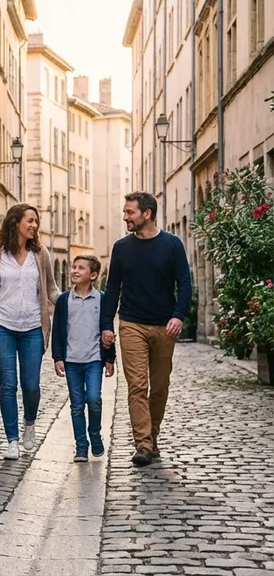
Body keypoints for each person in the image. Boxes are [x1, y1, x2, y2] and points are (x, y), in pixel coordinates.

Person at [100, 191, 192, 467]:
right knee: (137, 385)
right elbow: (112, 288)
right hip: (131, 324)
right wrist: (107, 325)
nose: (125, 216)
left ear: (147, 214)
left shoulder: (172, 245)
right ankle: (143, 443)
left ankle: (152, 436)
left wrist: (178, 316)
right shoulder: (121, 247)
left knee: (160, 386)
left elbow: (185, 284)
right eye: (125, 212)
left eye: (130, 212)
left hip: (165, 326)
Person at [0, 204, 60, 460]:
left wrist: (71, 301)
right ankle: (12, 439)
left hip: (33, 327)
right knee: (8, 385)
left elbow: (51, 289)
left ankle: (29, 423)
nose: (34, 225)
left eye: (36, 221)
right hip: (3, 328)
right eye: (30, 221)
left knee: (31, 386)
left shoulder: (40, 253)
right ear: (15, 222)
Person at [52, 255, 116, 462]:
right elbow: (58, 330)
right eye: (73, 267)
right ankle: (81, 446)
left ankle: (95, 435)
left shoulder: (102, 299)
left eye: (81, 268)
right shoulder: (64, 300)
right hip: (71, 360)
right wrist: (57, 357)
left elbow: (108, 329)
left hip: (94, 359)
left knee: (94, 399)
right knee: (77, 404)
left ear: (93, 275)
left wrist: (110, 358)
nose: (74, 271)